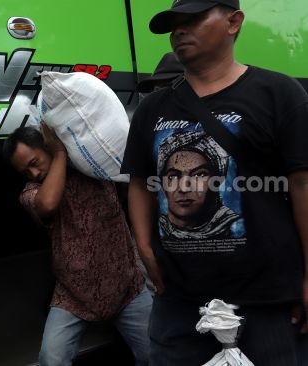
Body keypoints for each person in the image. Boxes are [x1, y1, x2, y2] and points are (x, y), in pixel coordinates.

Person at [122, 0, 308, 364]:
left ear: (234, 21)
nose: (179, 30)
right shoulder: (152, 109)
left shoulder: (279, 94)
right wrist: (145, 248)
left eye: (192, 19)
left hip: (267, 301)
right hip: (179, 304)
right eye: (174, 23)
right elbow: (140, 183)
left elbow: (302, 187)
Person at [3, 125, 151, 366]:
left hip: (126, 287)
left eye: (35, 162)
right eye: (26, 171)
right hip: (74, 296)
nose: (34, 173)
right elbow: (48, 204)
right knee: (51, 359)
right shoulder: (32, 193)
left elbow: (131, 184)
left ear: (45, 147)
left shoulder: (93, 167)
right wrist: (59, 153)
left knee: (155, 353)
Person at [158, 130, 242, 240]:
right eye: (173, 176)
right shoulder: (158, 230)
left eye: (199, 174)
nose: (184, 188)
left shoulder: (237, 229)